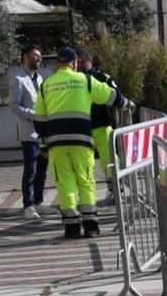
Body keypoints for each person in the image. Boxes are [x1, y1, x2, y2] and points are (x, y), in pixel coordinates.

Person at [34, 47, 131, 239]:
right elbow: (111, 96)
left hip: (56, 143)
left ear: (57, 64)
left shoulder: (46, 84)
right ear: (75, 63)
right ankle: (90, 225)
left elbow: (39, 119)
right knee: (86, 181)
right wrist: (127, 103)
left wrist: (43, 145)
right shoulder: (85, 81)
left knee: (64, 183)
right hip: (81, 140)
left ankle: (71, 226)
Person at [8, 44, 52, 221]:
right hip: (28, 132)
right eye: (34, 56)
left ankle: (38, 201)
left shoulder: (40, 78)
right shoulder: (17, 78)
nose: (38, 59)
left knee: (43, 168)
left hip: (43, 131)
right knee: (31, 169)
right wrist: (34, 115)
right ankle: (28, 205)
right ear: (24, 57)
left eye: (40, 56)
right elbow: (13, 106)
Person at [76, 47, 119, 206]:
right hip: (83, 129)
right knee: (84, 165)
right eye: (77, 62)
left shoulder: (102, 77)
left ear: (90, 62)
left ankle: (116, 191)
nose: (80, 65)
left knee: (110, 162)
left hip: (102, 127)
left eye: (83, 61)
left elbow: (116, 96)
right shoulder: (73, 80)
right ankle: (87, 197)